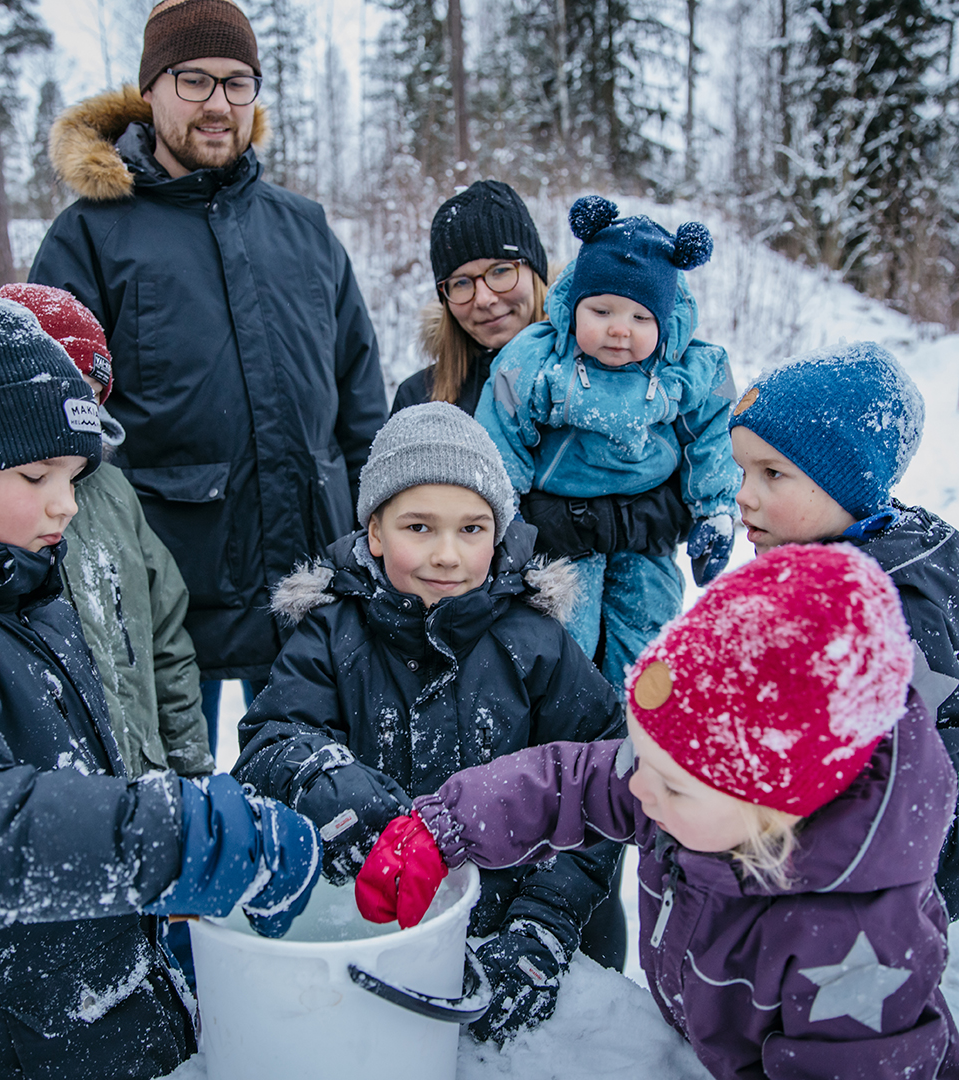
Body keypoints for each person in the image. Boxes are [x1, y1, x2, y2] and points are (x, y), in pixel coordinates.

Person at [0, 297, 321, 1078]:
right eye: (36, 474)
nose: (67, 503)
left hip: (83, 1016)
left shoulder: (18, 584)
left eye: (75, 476)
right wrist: (182, 835)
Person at [358, 543, 959, 1078]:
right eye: (640, 755)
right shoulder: (685, 787)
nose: (637, 787)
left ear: (776, 808)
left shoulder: (853, 947)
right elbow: (570, 780)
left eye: (669, 783)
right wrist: (446, 824)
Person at [29, 0, 387, 748]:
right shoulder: (90, 235)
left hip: (311, 578)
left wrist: (374, 531)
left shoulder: (305, 228)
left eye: (237, 82)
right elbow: (60, 422)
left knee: (317, 787)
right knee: (170, 799)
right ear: (150, 89)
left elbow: (359, 403)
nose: (219, 103)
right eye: (193, 80)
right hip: (167, 593)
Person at [234, 402, 626, 1044]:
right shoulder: (331, 636)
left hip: (507, 936)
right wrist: (333, 790)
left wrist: (544, 923)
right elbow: (272, 744)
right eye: (419, 527)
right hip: (378, 942)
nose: (447, 555)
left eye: (472, 529)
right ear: (375, 532)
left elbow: (604, 779)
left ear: (498, 533)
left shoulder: (537, 644)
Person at [728, 339, 959, 908]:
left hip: (868, 897)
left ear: (847, 484)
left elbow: (887, 788)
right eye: (743, 471)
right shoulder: (841, 557)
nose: (744, 496)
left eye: (772, 473)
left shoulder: (881, 611)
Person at [475, 196, 741, 681]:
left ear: (664, 323)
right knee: (563, 636)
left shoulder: (689, 369)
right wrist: (502, 512)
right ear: (574, 308)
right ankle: (567, 713)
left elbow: (714, 436)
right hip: (561, 530)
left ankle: (634, 714)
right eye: (601, 311)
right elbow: (501, 432)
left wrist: (715, 509)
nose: (620, 330)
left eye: (641, 318)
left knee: (649, 630)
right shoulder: (537, 360)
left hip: (647, 534)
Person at [393, 178, 694, 566]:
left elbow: (685, 496)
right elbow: (402, 525)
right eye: (461, 283)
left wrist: (591, 520)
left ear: (534, 269)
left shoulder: (630, 358)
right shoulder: (421, 397)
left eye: (501, 270)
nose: (484, 298)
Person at [0, 282, 215, 781]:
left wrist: (192, 770)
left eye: (92, 398)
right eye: (66, 392)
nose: (82, 415)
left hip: (144, 783)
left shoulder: (115, 493)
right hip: (60, 798)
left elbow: (166, 641)